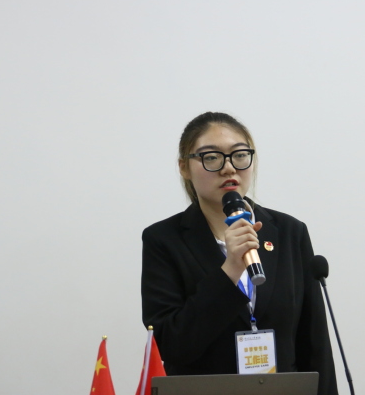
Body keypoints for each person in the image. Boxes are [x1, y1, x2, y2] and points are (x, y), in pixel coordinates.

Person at [141, 112, 338, 395]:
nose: (229, 168)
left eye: (240, 155)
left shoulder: (289, 232)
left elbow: (315, 342)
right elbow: (171, 345)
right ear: (184, 167)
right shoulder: (164, 240)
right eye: (211, 157)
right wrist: (230, 269)